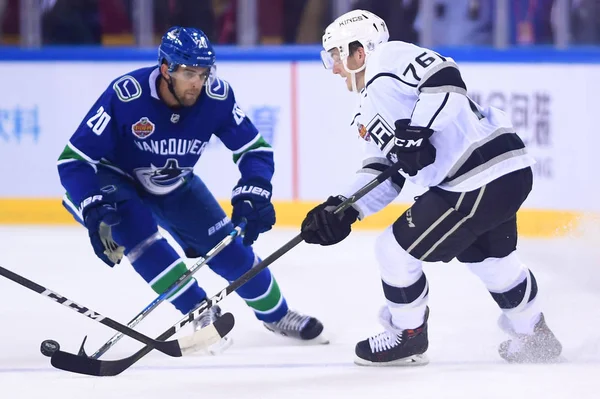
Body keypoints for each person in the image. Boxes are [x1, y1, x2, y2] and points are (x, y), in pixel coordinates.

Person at [300, 9, 561, 366]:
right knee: (491, 262)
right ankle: (535, 336)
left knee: (393, 251)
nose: (335, 68)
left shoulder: (387, 58)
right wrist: (343, 209)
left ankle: (408, 335)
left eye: (335, 56)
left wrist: (418, 130)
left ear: (359, 51)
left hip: (475, 176)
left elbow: (445, 78)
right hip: (499, 175)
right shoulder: (369, 109)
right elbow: (385, 172)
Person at [57, 26, 326, 354]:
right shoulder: (126, 95)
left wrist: (254, 188)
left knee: (229, 248)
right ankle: (199, 310)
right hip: (114, 178)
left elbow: (254, 149)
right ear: (166, 68)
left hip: (172, 181)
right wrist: (90, 203)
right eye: (188, 73)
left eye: (203, 73)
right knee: (137, 232)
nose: (197, 82)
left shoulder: (216, 98)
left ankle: (278, 315)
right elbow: (73, 160)